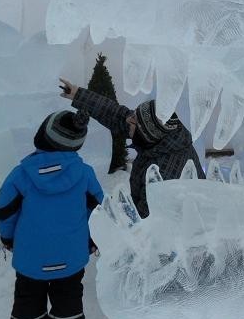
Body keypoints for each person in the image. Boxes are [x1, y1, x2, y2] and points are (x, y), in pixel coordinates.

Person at [0, 109, 104, 319]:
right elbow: (98, 211)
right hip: (71, 256)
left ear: (41, 136)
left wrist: (8, 239)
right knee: (68, 299)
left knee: (28, 299)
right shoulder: (85, 173)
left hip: (31, 258)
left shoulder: (20, 175)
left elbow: (5, 211)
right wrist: (93, 241)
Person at [59, 77, 205, 219]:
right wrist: (78, 94)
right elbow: (116, 115)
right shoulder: (159, 135)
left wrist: (102, 212)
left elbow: (144, 223)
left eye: (134, 121)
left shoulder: (164, 173)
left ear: (145, 134)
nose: (129, 120)